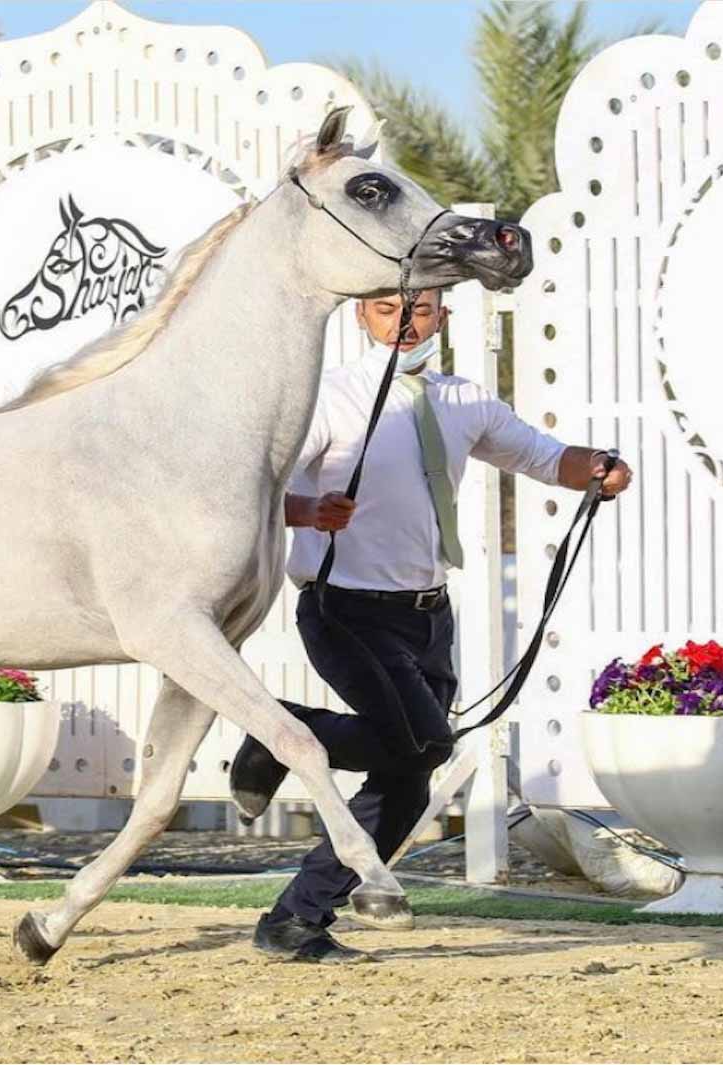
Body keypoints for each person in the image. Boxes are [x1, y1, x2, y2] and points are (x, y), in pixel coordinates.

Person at [231, 287, 634, 963]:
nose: (403, 322)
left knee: (408, 774)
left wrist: (597, 469)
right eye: (387, 308)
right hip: (343, 607)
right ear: (361, 316)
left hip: (427, 616)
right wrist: (307, 512)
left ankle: (294, 918)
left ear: (440, 316)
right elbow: (255, 486)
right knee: (423, 745)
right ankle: (278, 732)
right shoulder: (325, 398)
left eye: (418, 308)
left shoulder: (463, 399)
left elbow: (544, 456)